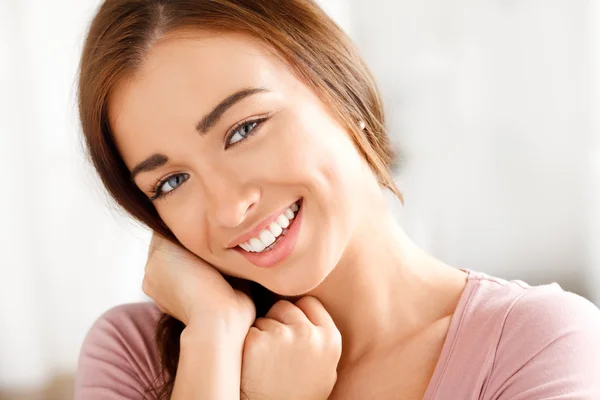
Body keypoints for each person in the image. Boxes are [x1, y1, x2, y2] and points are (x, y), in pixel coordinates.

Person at [74, 1, 600, 399]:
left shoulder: (538, 346)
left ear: (338, 90)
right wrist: (212, 339)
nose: (229, 209)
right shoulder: (136, 356)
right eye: (170, 182)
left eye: (244, 129)